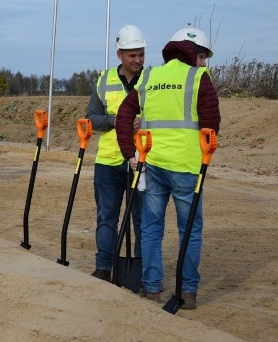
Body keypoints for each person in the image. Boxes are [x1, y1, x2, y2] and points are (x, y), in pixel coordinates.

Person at [116, 26, 220, 309]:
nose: (204, 63)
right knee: (189, 230)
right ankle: (187, 292)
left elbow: (124, 115)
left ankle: (151, 288)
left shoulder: (150, 76)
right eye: (203, 57)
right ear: (194, 54)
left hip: (153, 165)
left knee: (150, 228)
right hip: (187, 167)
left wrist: (129, 153)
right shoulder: (198, 77)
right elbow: (211, 122)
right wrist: (207, 151)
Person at [85, 25, 147, 282]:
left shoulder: (152, 79)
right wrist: (117, 121)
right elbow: (91, 118)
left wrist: (144, 122)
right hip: (108, 162)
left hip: (142, 161)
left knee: (143, 221)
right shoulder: (104, 80)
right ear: (120, 54)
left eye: (141, 54)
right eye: (132, 55)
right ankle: (103, 268)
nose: (138, 60)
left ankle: (143, 272)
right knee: (107, 217)